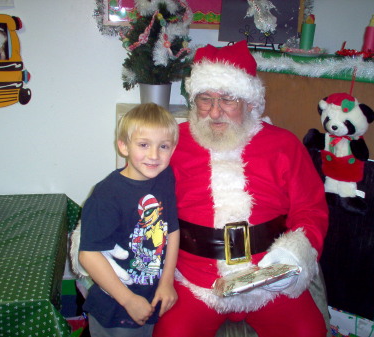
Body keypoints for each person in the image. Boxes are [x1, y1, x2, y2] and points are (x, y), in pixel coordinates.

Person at [152, 40, 329, 337]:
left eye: (228, 99)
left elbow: (310, 209)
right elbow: (135, 188)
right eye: (205, 99)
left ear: (250, 102)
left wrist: (292, 258)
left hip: (268, 279)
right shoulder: (172, 142)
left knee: (308, 332)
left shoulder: (283, 144)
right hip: (194, 279)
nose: (215, 111)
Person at [78, 103, 180, 337]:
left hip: (152, 295)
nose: (154, 155)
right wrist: (128, 300)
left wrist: (167, 281)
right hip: (116, 306)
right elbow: (88, 255)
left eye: (163, 146)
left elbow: (171, 229)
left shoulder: (165, 178)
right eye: (144, 145)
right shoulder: (106, 194)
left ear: (172, 149)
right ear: (123, 146)